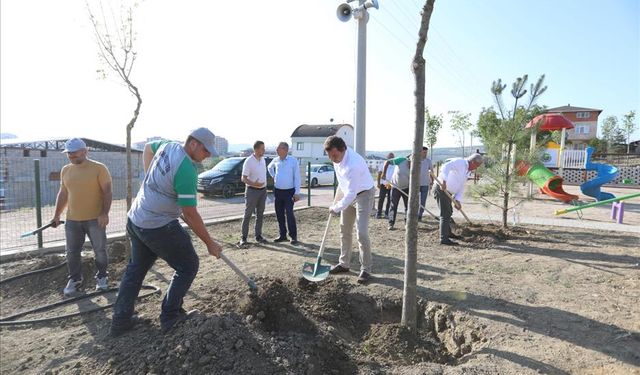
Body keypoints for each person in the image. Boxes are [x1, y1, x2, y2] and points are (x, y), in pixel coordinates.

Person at [110, 128, 223, 336]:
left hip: (136, 218)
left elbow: (146, 149)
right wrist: (210, 243)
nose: (207, 156)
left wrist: (151, 183)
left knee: (136, 269)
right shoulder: (187, 169)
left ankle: (120, 320)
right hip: (157, 225)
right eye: (206, 151)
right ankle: (170, 316)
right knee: (188, 265)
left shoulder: (168, 145)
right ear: (194, 144)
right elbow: (189, 214)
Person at [52, 138, 112, 296]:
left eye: (74, 153)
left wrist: (104, 213)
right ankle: (75, 280)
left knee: (99, 250)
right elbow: (63, 193)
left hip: (95, 219)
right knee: (72, 252)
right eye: (68, 153)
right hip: (72, 220)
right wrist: (57, 215)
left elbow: (107, 191)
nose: (71, 156)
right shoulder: (66, 170)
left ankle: (102, 277)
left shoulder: (99, 168)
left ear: (85, 151)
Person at [324, 136, 375, 284]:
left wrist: (337, 207)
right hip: (348, 192)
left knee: (362, 232)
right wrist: (338, 198)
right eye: (329, 156)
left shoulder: (354, 164)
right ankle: (344, 263)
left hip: (364, 194)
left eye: (334, 155)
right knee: (344, 229)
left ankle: (366, 269)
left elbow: (352, 193)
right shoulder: (336, 159)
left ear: (343, 150)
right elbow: (342, 181)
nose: (332, 159)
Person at [434, 153, 483, 246]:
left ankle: (448, 233)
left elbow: (460, 186)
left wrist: (458, 200)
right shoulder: (460, 162)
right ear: (473, 162)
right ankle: (443, 239)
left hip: (449, 192)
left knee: (448, 212)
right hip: (441, 189)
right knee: (445, 214)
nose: (476, 168)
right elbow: (445, 166)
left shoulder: (467, 171)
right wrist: (443, 181)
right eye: (477, 165)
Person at [267, 142, 301, 245]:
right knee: (279, 214)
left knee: (289, 214)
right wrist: (275, 177)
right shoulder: (275, 160)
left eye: (278, 148)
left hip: (289, 192)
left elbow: (297, 177)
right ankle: (282, 235)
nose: (276, 150)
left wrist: (297, 192)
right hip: (278, 191)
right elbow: (269, 168)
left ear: (285, 150)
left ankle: (293, 236)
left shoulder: (293, 161)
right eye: (277, 148)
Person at [238, 141, 268, 248]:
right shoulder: (249, 161)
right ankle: (243, 238)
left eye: (264, 148)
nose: (264, 150)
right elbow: (243, 178)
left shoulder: (263, 160)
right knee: (248, 215)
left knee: (260, 215)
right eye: (262, 148)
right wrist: (254, 184)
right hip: (252, 191)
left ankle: (258, 236)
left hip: (262, 191)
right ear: (256, 149)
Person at [381, 154, 410, 230]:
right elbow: (387, 162)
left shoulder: (417, 165)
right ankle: (391, 223)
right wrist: (384, 173)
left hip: (407, 188)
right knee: (393, 205)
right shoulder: (401, 159)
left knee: (408, 206)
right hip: (396, 187)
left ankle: (407, 224)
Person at [376, 152, 395, 219]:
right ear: (387, 157)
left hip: (391, 185)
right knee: (381, 199)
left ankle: (387, 213)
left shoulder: (395, 166)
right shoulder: (382, 164)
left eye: (392, 157)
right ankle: (378, 213)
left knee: (390, 200)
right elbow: (379, 174)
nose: (391, 158)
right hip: (383, 184)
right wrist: (378, 183)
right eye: (390, 157)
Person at [418, 146, 433, 221]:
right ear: (420, 152)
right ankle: (415, 214)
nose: (425, 154)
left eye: (426, 152)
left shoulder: (428, 161)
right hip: (416, 185)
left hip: (425, 184)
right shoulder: (416, 161)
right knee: (416, 200)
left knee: (423, 201)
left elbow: (431, 172)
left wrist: (432, 182)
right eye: (424, 152)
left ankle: (420, 215)